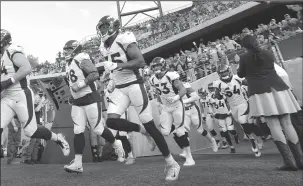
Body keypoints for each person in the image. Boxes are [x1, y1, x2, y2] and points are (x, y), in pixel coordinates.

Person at [96, 16, 180, 181]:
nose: (102, 30)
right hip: (120, 89)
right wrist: (112, 77)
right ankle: (141, 130)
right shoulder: (104, 46)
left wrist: (118, 66)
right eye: (101, 27)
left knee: (150, 125)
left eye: (105, 26)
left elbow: (140, 61)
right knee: (111, 122)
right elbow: (114, 66)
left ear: (113, 26)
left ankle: (172, 163)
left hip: (134, 85)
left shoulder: (124, 37)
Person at [0, 29, 70, 159]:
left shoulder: (12, 50)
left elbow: (26, 68)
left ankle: (58, 138)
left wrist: (8, 82)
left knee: (30, 131)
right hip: (7, 97)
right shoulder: (2, 57)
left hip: (20, 95)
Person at [237, 35, 303, 171]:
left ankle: (288, 162)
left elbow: (241, 74)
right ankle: (300, 160)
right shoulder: (268, 52)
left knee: (274, 125)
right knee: (287, 123)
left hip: (261, 92)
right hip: (279, 88)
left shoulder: (244, 58)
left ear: (244, 46)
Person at [62, 40, 125, 173]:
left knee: (97, 129)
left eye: (67, 50)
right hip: (77, 102)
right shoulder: (68, 64)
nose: (65, 52)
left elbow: (94, 74)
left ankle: (116, 143)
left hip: (90, 98)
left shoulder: (81, 57)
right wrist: (72, 94)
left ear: (74, 49)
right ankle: (78, 163)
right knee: (78, 130)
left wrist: (79, 85)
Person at [150, 57, 194, 166]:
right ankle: (180, 128)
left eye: (158, 65)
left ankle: (189, 157)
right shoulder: (152, 79)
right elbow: (158, 92)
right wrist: (159, 102)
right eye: (154, 66)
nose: (156, 68)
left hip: (176, 105)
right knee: (165, 132)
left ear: (163, 65)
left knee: (180, 132)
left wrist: (176, 97)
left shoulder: (171, 76)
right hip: (166, 107)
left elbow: (183, 89)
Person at [215, 65, 263, 157]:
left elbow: (249, 83)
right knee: (246, 125)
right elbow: (218, 96)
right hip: (233, 108)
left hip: (243, 103)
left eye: (224, 72)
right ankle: (258, 137)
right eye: (221, 73)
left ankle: (254, 143)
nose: (224, 74)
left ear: (228, 71)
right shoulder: (218, 84)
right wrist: (220, 95)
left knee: (243, 121)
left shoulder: (237, 78)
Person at [179, 82, 218, 158]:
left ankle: (211, 140)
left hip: (193, 109)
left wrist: (182, 102)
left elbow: (195, 97)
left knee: (200, 130)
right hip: (184, 111)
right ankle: (186, 150)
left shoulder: (185, 85)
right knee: (183, 130)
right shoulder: (170, 90)